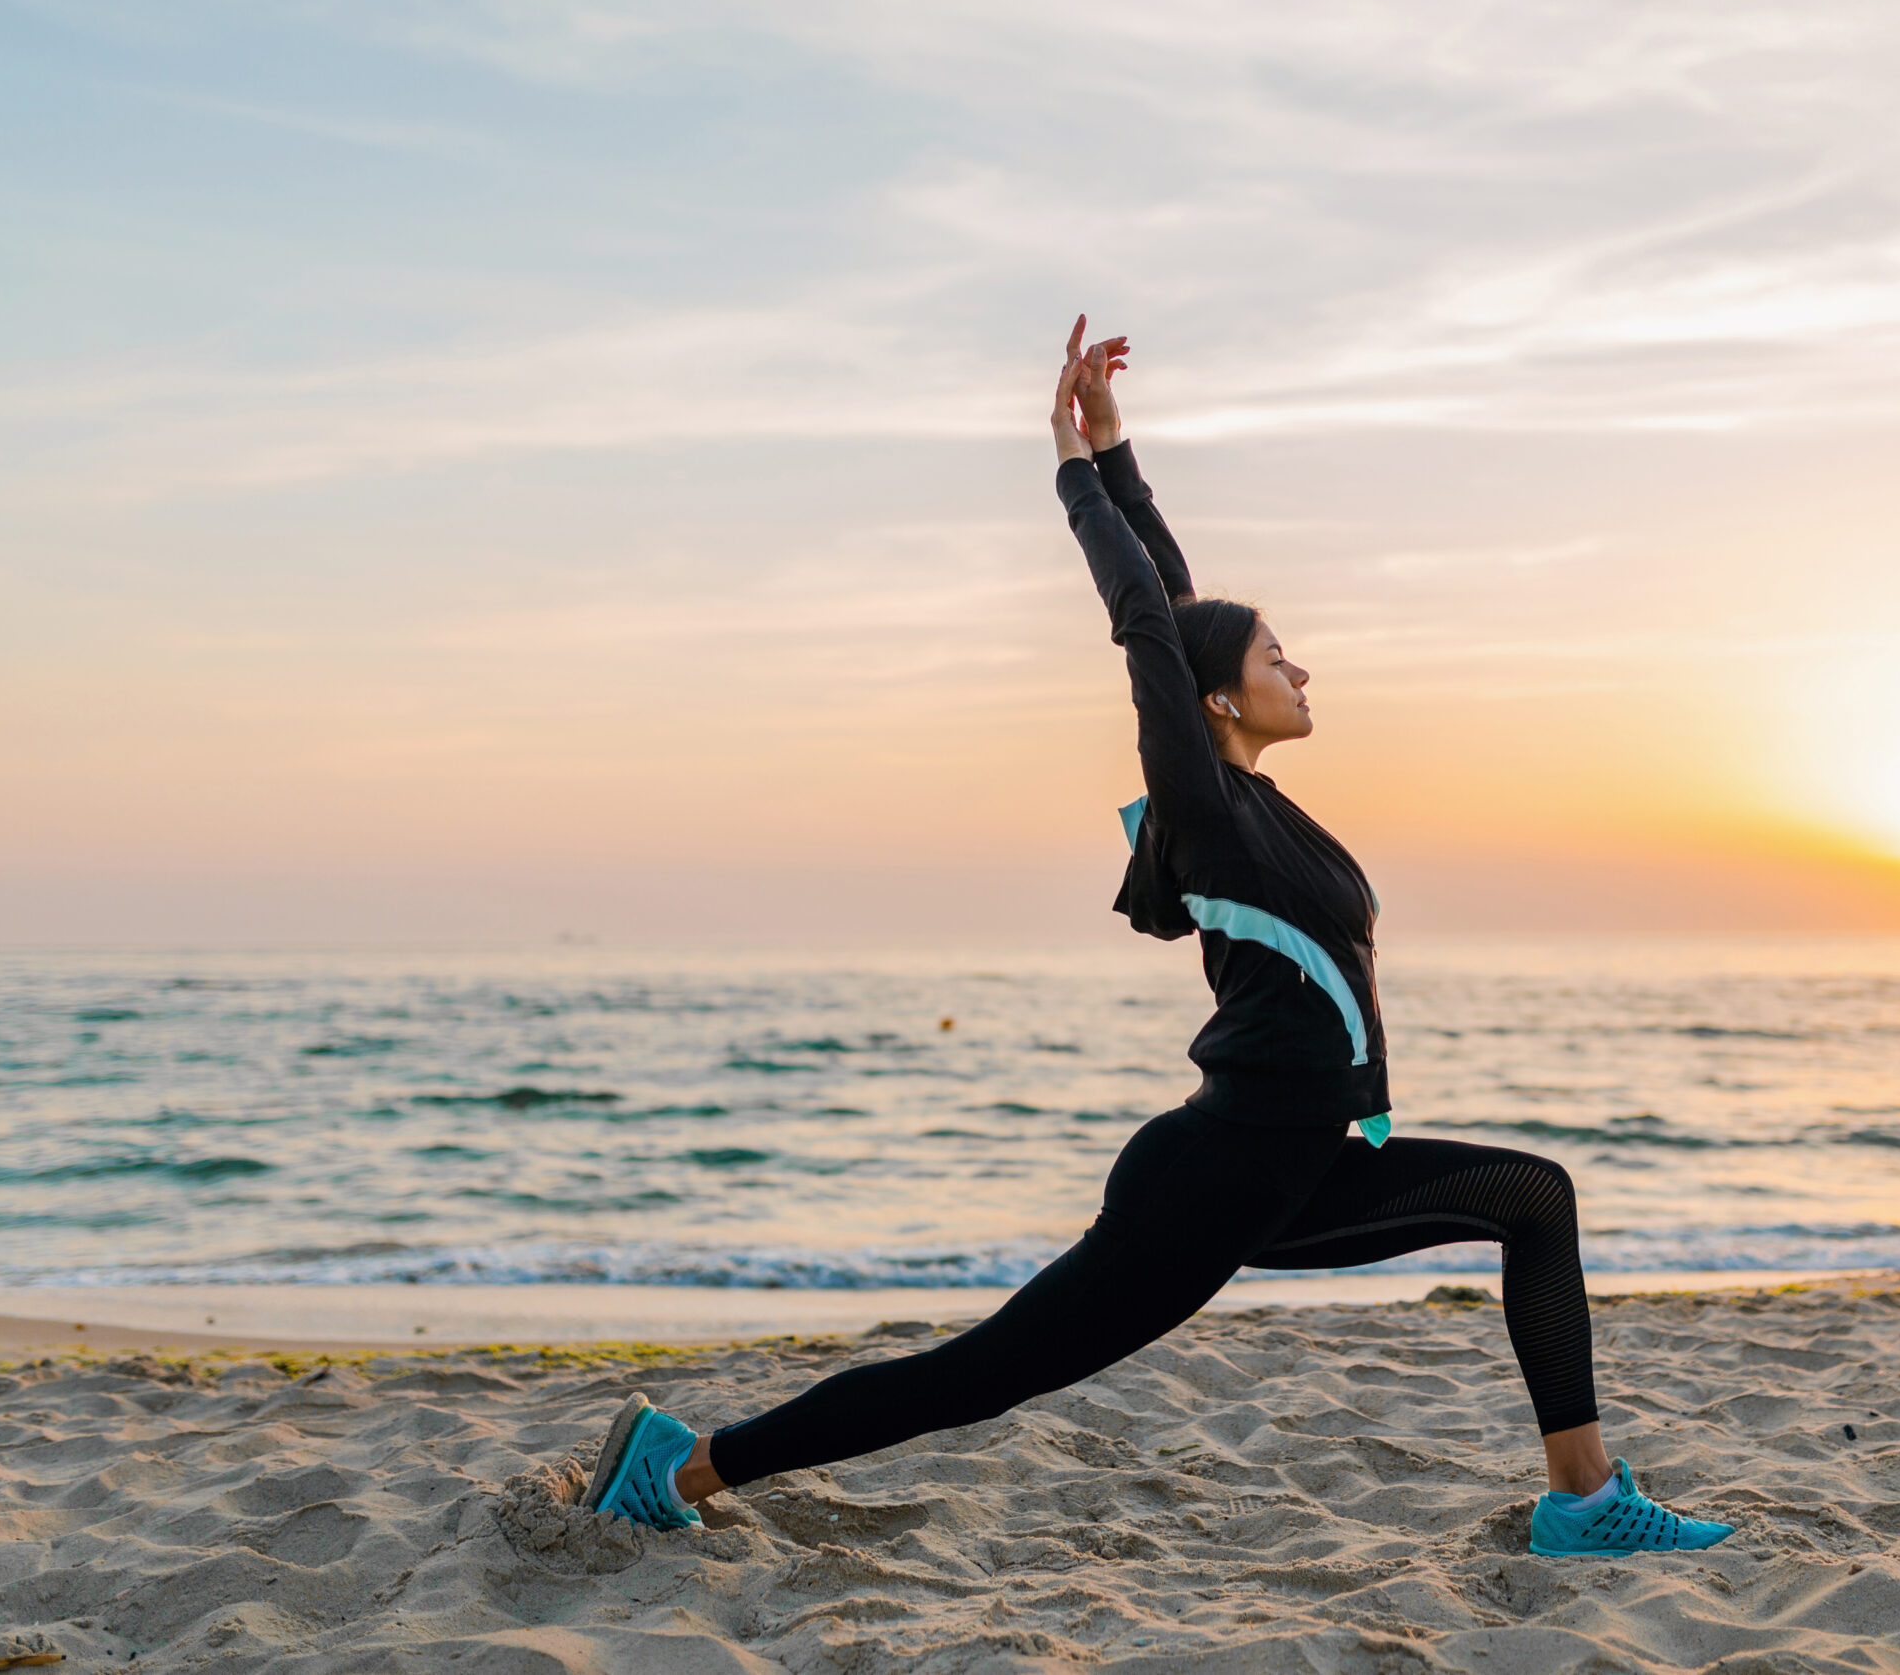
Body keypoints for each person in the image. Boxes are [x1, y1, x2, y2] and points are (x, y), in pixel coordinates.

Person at [579, 319, 1732, 1559]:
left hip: (1293, 1163)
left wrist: (1123, 449)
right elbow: (1149, 622)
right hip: (1218, 1174)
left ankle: (1583, 1501)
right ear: (1223, 701)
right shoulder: (1201, 803)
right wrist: (1073, 472)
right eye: (1277, 656)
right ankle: (682, 1467)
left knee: (1532, 1198)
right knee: (984, 1375)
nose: (1303, 666)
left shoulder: (1256, 804)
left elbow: (1178, 607)